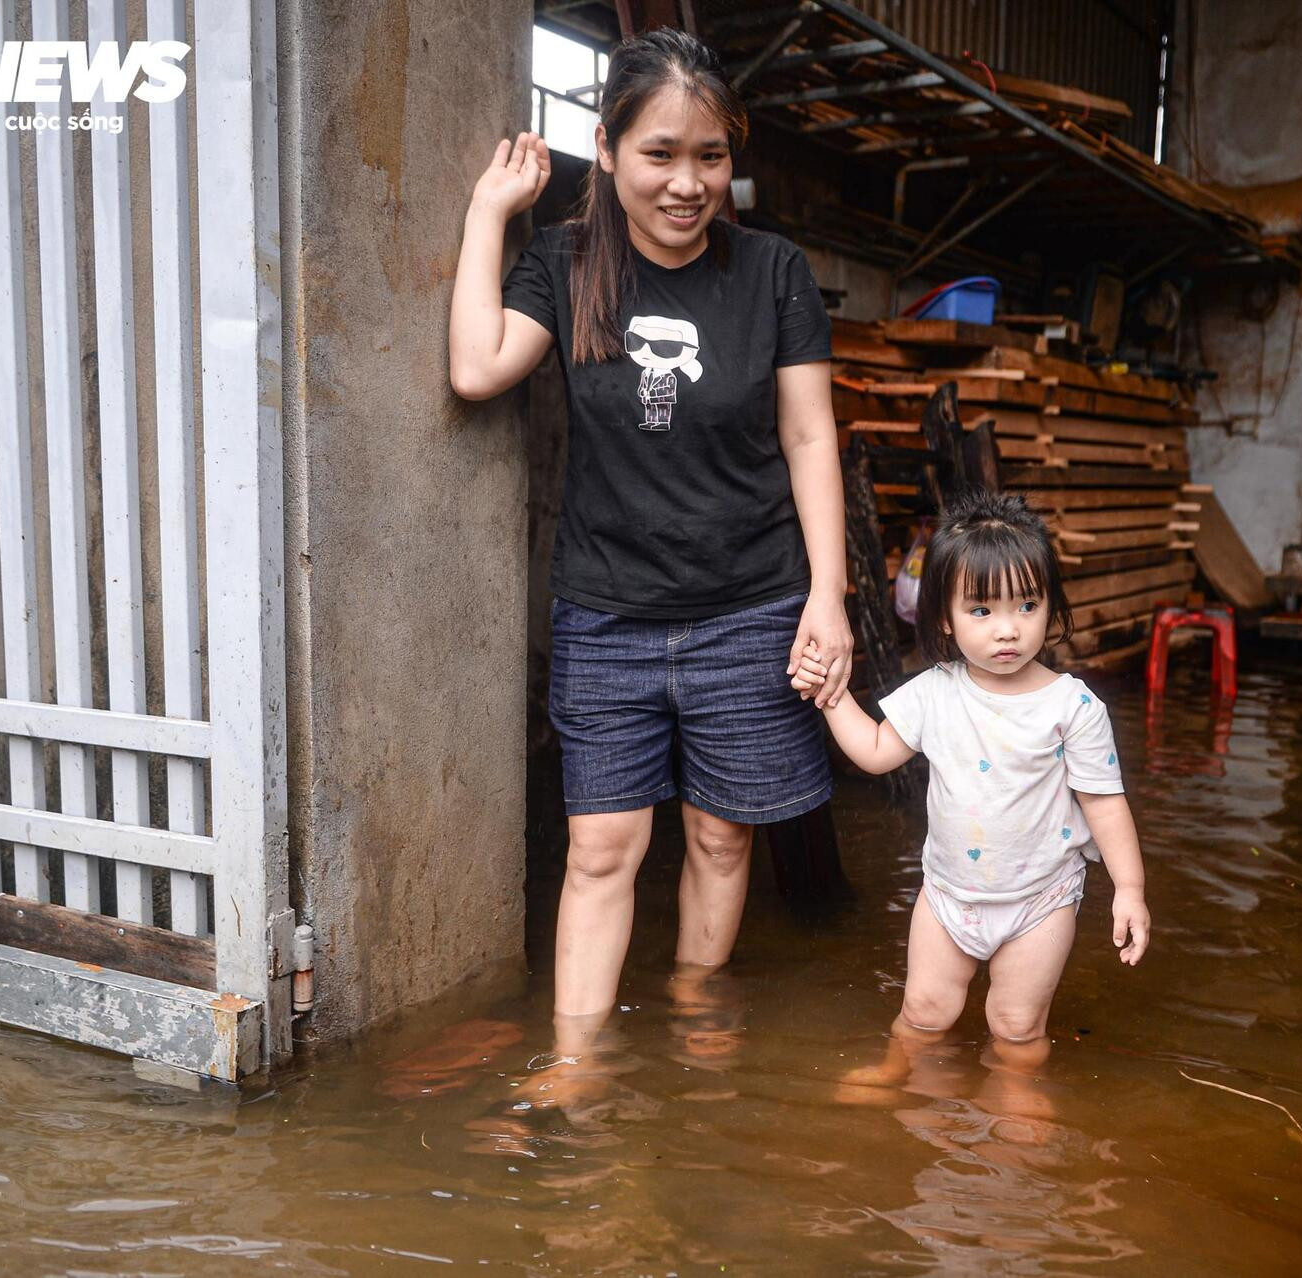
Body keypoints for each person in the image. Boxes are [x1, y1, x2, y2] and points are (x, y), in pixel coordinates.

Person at [447, 29, 851, 1097]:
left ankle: (692, 1031)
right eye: (660, 154)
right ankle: (578, 1067)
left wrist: (829, 596)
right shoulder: (569, 266)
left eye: (710, 156)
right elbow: (478, 366)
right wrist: (491, 216)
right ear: (609, 149)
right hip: (607, 612)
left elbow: (812, 439)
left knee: (722, 842)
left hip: (751, 607)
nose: (687, 183)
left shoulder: (773, 273)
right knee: (602, 849)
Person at [792, 493, 1150, 1088]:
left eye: (1027, 605)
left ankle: (1016, 1095)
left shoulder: (1072, 707)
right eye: (981, 611)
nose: (1007, 629)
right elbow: (876, 753)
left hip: (1042, 898)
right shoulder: (936, 691)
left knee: (1016, 1024)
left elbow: (1104, 802)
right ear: (943, 619)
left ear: (1050, 609)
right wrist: (832, 694)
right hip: (947, 897)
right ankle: (898, 1069)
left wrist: (1130, 889)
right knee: (924, 1013)